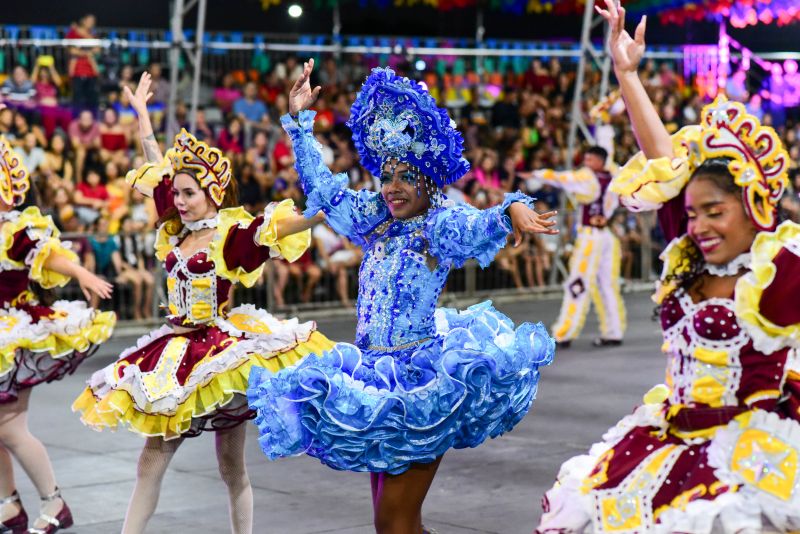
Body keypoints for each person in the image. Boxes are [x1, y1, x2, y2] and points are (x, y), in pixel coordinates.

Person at [247, 60, 557, 533]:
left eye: (405, 176)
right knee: (391, 525)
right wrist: (299, 123)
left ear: (428, 180)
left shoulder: (438, 224)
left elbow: (481, 223)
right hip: (373, 379)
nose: (392, 187)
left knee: (395, 523)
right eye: (386, 175)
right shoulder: (375, 220)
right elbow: (326, 195)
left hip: (420, 384)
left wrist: (512, 208)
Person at [536, 2, 800, 531]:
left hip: (748, 450)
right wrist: (626, 75)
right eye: (694, 212)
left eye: (716, 212)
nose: (699, 225)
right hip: (671, 434)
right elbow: (662, 158)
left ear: (753, 210)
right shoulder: (689, 252)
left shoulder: (779, 269)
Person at [72, 71, 335, 534]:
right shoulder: (177, 228)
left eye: (189, 194)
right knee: (151, 460)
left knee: (231, 467)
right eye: (178, 193)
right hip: (173, 351)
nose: (179, 200)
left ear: (214, 194)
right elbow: (155, 167)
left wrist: (327, 204)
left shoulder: (232, 238)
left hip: (217, 354)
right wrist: (141, 118)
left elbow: (285, 226)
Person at [0, 136, 115, 534]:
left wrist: (83, 273)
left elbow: (50, 255)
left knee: (9, 428)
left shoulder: (15, 230)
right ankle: (9, 505)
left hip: (14, 334)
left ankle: (54, 502)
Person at [521, 145, 626, 348]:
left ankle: (564, 333)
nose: (586, 163)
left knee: (577, 283)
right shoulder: (615, 175)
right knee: (607, 285)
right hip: (606, 236)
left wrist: (537, 174)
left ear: (599, 161)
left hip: (590, 238)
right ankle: (614, 331)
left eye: (590, 159)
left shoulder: (588, 179)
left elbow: (561, 178)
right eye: (586, 159)